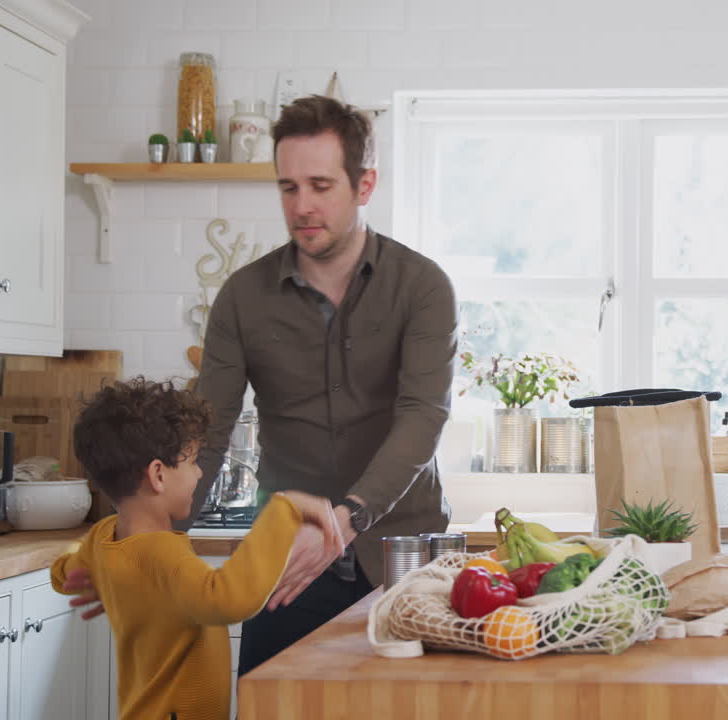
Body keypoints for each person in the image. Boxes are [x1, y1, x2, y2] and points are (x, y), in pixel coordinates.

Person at [193, 94, 457, 675]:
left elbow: (422, 416)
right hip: (287, 561)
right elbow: (207, 427)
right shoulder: (243, 297)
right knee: (271, 708)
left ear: (364, 185)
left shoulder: (423, 287)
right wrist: (138, 540)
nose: (302, 206)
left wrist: (345, 520)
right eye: (288, 188)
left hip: (401, 559)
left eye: (320, 185)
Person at [51, 377, 344, 720]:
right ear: (158, 475)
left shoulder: (104, 537)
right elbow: (227, 599)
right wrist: (284, 510)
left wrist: (78, 573)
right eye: (191, 462)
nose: (199, 473)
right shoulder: (162, 553)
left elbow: (66, 573)